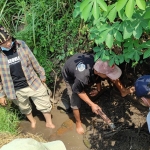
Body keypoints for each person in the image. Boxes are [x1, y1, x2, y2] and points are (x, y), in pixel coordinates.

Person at [62, 53, 133, 134]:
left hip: (85, 65)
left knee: (109, 76)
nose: (108, 76)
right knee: (75, 101)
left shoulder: (100, 62)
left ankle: (123, 91)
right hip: (70, 75)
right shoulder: (82, 77)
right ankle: (78, 123)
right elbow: (78, 91)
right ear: (97, 72)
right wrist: (92, 104)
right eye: (106, 74)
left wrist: (98, 89)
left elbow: (97, 75)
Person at [0, 25, 55, 129]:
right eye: (3, 43)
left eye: (9, 40)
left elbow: (33, 60)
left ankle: (48, 122)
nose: (8, 44)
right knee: (24, 107)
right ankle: (33, 121)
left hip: (32, 82)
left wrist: (41, 73)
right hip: (15, 89)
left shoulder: (21, 44)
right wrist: (1, 95)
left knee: (44, 102)